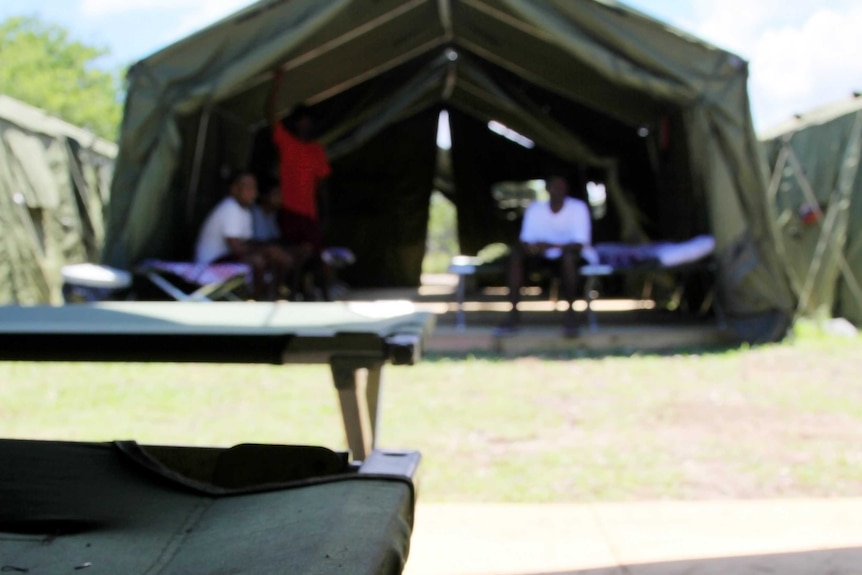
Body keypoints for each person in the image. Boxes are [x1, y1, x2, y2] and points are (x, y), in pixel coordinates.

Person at [498, 174, 593, 336]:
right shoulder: (535, 209)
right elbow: (526, 241)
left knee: (569, 259)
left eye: (562, 187)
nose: (559, 191)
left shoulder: (578, 208)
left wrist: (551, 245)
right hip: (540, 258)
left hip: (571, 258)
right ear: (548, 189)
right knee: (515, 257)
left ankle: (570, 315)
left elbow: (579, 243)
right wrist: (535, 248)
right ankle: (513, 314)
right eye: (555, 187)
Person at [268, 68, 332, 300]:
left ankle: (321, 296)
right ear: (295, 123)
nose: (304, 125)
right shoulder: (287, 143)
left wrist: (324, 215)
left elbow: (322, 185)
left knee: (314, 255)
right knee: (297, 256)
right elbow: (271, 116)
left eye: (308, 121)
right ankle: (293, 293)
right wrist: (276, 85)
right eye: (300, 121)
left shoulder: (316, 150)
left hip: (309, 216)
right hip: (289, 213)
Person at [194, 171, 293, 301]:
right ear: (235, 189)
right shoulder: (230, 208)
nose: (254, 193)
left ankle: (272, 296)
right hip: (211, 263)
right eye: (249, 188)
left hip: (227, 257)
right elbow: (237, 248)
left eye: (254, 188)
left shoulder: (244, 211)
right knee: (258, 260)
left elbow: (248, 242)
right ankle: (256, 300)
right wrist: (268, 251)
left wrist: (271, 250)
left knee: (273, 255)